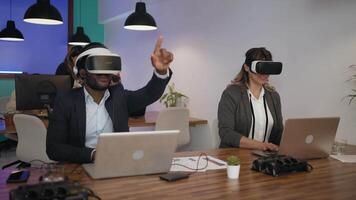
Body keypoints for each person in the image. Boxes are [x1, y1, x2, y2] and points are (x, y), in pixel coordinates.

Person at [47, 37, 173, 163]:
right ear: (83, 73)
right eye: (98, 65)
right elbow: (54, 149)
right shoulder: (66, 101)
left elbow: (149, 93)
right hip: (79, 169)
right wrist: (93, 154)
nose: (104, 72)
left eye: (107, 66)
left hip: (117, 165)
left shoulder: (119, 97)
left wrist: (161, 72)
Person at [218, 47, 283, 151]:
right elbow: (226, 133)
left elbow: (279, 132)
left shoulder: (273, 96)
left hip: (264, 158)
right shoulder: (231, 94)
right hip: (235, 157)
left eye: (268, 68)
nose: (265, 74)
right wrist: (261, 145)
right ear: (247, 67)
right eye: (260, 68)